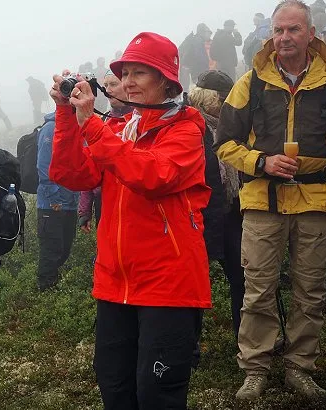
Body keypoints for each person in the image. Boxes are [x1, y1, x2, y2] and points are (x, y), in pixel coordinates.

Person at [49, 32, 212, 409]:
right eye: (125, 73)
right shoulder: (123, 130)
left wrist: (90, 123)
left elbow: (150, 176)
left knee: (158, 394)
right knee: (114, 386)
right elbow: (72, 174)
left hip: (167, 286)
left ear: (167, 81)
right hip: (115, 282)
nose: (128, 82)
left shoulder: (185, 131)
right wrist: (65, 113)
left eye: (141, 72)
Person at [214, 0, 326, 399]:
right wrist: (261, 162)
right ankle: (255, 368)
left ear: (310, 34)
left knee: (311, 290)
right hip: (262, 200)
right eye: (278, 30)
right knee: (258, 288)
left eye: (293, 30)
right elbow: (224, 144)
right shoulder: (249, 82)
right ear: (271, 34)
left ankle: (300, 368)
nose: (284, 38)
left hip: (318, 199)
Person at [189, 70, 244, 338]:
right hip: (199, 216)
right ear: (206, 99)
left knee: (242, 277)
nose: (226, 104)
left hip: (230, 213)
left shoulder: (232, 129)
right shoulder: (190, 128)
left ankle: (245, 338)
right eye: (222, 99)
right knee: (193, 283)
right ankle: (189, 346)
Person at [78, 69, 133, 233]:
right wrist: (84, 210)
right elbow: (90, 165)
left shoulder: (142, 120)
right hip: (104, 199)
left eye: (114, 84)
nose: (108, 89)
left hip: (135, 198)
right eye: (106, 85)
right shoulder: (102, 121)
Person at [36, 109, 79, 291]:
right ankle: (45, 291)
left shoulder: (77, 126)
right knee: (51, 251)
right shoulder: (51, 128)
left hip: (70, 202)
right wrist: (54, 198)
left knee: (64, 249)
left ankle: (54, 289)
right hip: (51, 205)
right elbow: (44, 166)